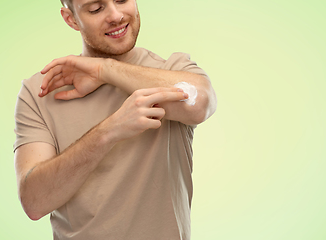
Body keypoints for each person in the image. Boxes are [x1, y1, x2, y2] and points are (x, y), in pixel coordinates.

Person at [13, 0, 216, 239]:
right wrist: (108, 131)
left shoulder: (172, 70)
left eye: (122, 0)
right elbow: (35, 202)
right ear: (71, 19)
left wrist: (104, 70)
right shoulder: (40, 91)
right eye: (96, 9)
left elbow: (200, 103)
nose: (116, 15)